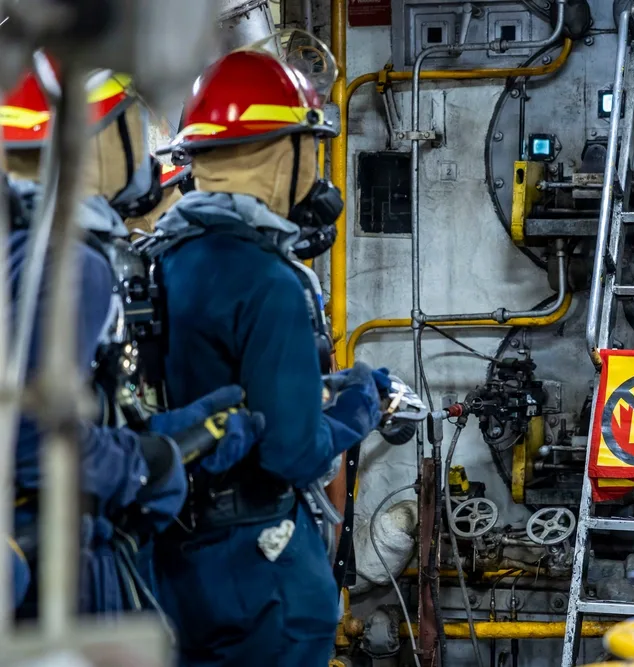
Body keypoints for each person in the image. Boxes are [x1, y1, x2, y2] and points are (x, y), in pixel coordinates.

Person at [0, 58, 265, 617]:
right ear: (95, 138)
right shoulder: (70, 262)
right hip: (53, 559)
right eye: (132, 123)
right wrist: (148, 462)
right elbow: (33, 442)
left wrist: (163, 433)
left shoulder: (19, 243)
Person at [148, 46, 384, 665]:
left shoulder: (164, 258)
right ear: (289, 153)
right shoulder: (267, 279)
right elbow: (291, 451)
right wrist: (362, 403)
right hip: (263, 569)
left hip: (178, 561)